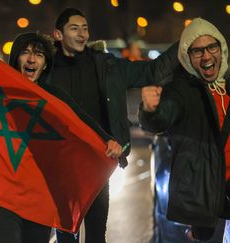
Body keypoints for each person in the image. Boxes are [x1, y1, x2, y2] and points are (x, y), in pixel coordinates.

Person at [0, 11, 123, 243]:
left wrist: (107, 140)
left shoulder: (53, 99)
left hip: (39, 199)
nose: (31, 59)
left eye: (38, 55)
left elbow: (81, 122)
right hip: (1, 197)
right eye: (25, 53)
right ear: (16, 58)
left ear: (45, 63)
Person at [49, 7, 179, 243]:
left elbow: (151, 70)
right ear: (58, 35)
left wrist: (186, 43)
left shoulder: (106, 65)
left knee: (97, 235)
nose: (82, 34)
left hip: (98, 161)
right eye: (74, 28)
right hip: (61, 167)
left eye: (85, 29)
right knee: (66, 235)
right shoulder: (46, 70)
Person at [139, 18, 230, 241]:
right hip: (207, 202)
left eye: (212, 47)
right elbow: (162, 118)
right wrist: (150, 110)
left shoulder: (228, 87)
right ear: (187, 58)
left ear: (222, 49)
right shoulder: (181, 91)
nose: (207, 56)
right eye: (197, 51)